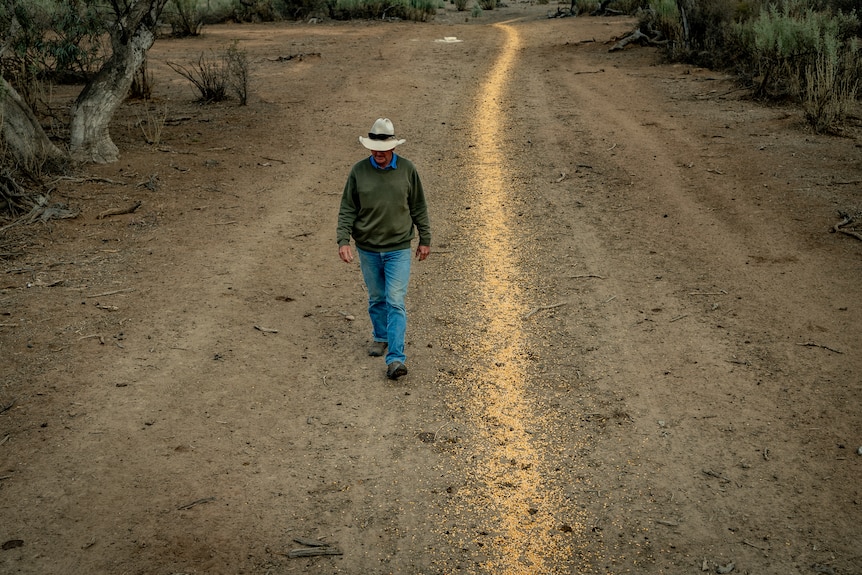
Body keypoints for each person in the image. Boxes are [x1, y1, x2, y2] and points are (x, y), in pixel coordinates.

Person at [336, 118, 431, 380]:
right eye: (373, 148)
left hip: (398, 248)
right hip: (367, 248)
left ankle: (396, 359)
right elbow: (347, 208)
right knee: (377, 297)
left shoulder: (408, 170)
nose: (378, 153)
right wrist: (343, 240)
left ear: (392, 146)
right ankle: (380, 336)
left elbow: (419, 206)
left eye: (383, 148)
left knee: (395, 301)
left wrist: (425, 238)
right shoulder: (358, 172)